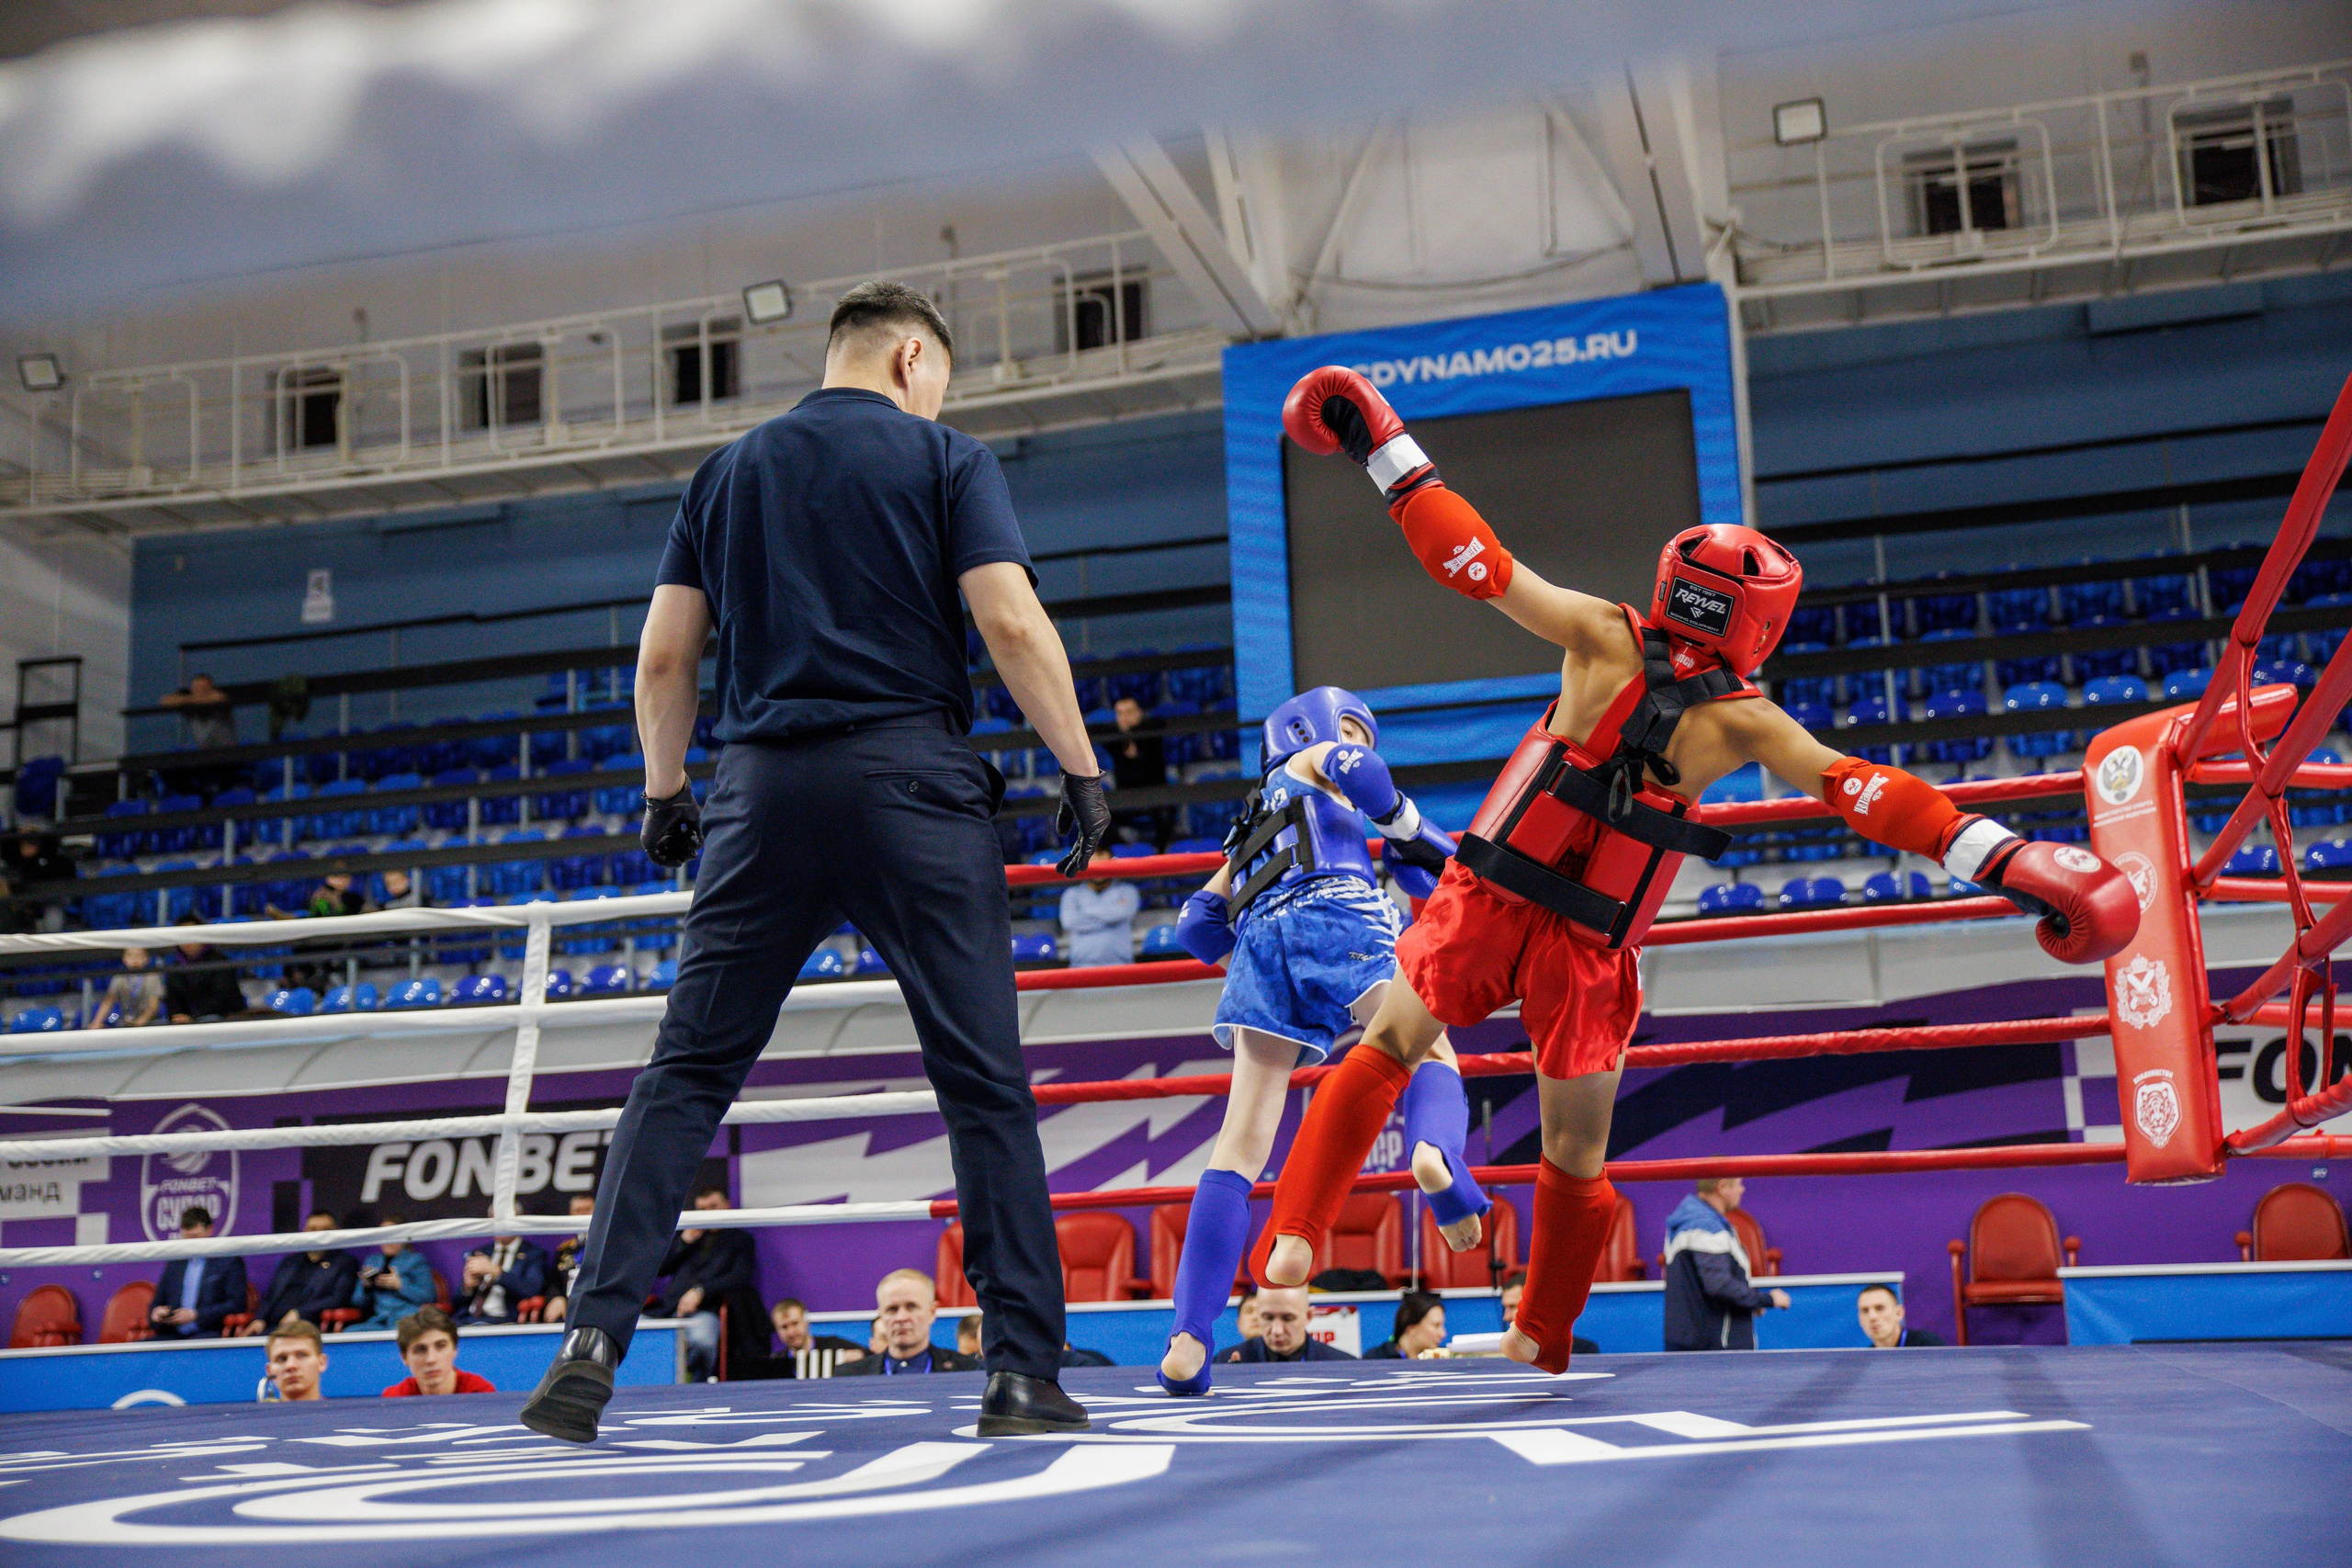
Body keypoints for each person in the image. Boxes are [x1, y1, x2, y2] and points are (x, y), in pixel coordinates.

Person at [1256, 367, 2140, 1376]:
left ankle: (1293, 1235)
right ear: (1760, 619)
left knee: (1388, 1048)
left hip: (1490, 892)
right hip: (1587, 944)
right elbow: (1864, 791)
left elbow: (1473, 562)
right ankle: (1539, 1338)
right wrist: (2010, 856)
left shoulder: (1597, 636)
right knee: (1574, 1157)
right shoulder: (1743, 722)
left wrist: (1385, 451)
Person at [526, 281, 1105, 1444]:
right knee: (982, 1080)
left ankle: (589, 1341)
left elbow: (659, 662)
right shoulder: (947, 460)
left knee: (686, 1073)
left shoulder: (724, 473)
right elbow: (1007, 621)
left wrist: (664, 790)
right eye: (938, 377)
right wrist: (1082, 768)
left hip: (761, 794)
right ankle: (1021, 1374)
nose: (938, 398)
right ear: (907, 359)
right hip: (912, 786)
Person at [1158, 683, 1471, 1397]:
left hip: (1260, 948)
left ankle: (1187, 1338)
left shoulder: (1247, 824)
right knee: (1429, 1049)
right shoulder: (1321, 762)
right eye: (1351, 727)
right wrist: (1401, 826)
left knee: (1239, 1143)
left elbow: (1196, 927)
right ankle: (1435, 1157)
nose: (1359, 740)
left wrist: (1268, 934)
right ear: (1307, 728)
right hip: (1339, 910)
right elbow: (1364, 776)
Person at [1664, 1178, 1790, 1351]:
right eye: (1738, 1184)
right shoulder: (1705, 1227)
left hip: (1697, 1346)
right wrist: (1766, 1300)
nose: (1742, 1190)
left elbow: (1702, 1288)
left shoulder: (1688, 1222)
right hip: (1716, 1354)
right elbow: (1719, 1285)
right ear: (1722, 1187)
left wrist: (1750, 1303)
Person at [656, 1185, 758, 1381]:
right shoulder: (687, 1237)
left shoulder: (740, 1239)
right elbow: (660, 1270)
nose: (708, 1213)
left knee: (703, 1342)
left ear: (726, 1206)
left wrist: (701, 1291)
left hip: (705, 1311)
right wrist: (684, 1242)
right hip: (667, 1310)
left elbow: (740, 1277)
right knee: (634, 1335)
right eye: (703, 1209)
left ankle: (695, 1388)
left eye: (714, 1206)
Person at [836, 1269, 980, 1376]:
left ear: (932, 1312)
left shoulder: (968, 1370)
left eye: (912, 1307)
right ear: (881, 1315)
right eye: (892, 1309)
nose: (901, 1317)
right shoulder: (849, 1376)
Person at [243, 1210, 361, 1336]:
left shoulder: (344, 1263)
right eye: (313, 1230)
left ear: (336, 1232)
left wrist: (301, 1313)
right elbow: (271, 1296)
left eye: (326, 1229)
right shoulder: (290, 1262)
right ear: (304, 1231)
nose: (319, 1235)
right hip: (272, 1327)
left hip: (310, 1326)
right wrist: (260, 1319)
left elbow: (338, 1299)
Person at [151, 1207, 247, 1338]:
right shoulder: (175, 1263)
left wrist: (196, 1315)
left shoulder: (228, 1261)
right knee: (140, 1350)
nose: (190, 1241)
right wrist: (157, 1313)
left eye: (195, 1236)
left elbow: (237, 1304)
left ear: (209, 1230)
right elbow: (157, 1303)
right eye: (186, 1236)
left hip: (209, 1332)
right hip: (172, 1333)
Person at [1215, 1285, 1354, 1365]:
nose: (1277, 1331)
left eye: (1288, 1318)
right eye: (1268, 1318)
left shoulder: (1343, 1366)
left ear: (1308, 1316)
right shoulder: (1225, 1363)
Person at [382, 1307, 497, 1396]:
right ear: (404, 1357)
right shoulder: (395, 1398)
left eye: (441, 1346)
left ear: (454, 1349)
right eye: (420, 1350)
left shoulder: (480, 1393)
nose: (431, 1359)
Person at [1058, 846, 1140, 966]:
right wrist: (1112, 915)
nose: (1099, 870)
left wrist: (1084, 912)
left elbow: (1125, 913)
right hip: (1081, 969)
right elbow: (1069, 922)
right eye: (1094, 865)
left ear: (1111, 864)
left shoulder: (1128, 891)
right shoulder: (1071, 894)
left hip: (1121, 968)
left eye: (1103, 865)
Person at [1107, 694, 1170, 848]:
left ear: (1139, 713)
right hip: (1125, 796)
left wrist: (1131, 731)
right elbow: (1095, 730)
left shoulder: (1151, 734)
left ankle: (1158, 854)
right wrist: (1124, 734)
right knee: (1098, 816)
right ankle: (1127, 852)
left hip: (1154, 793)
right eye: (1120, 713)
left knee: (1166, 813)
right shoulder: (1116, 740)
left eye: (1129, 712)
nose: (1124, 717)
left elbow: (1161, 723)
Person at [164, 915, 250, 1022]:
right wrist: (176, 1016)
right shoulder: (175, 967)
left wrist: (193, 1017)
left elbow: (224, 998)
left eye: (192, 935)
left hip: (220, 1017)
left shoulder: (219, 962)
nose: (187, 941)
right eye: (182, 936)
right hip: (187, 1021)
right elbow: (172, 999)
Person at [350, 1223, 435, 1329]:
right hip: (379, 1321)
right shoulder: (372, 1261)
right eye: (384, 1235)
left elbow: (428, 1297)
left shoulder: (416, 1260)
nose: (388, 1241)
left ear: (404, 1237)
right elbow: (357, 1303)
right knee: (350, 1332)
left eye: (393, 1236)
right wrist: (366, 1287)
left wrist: (400, 1285)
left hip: (408, 1320)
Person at [1497, 1270, 1599, 1359]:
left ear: (1537, 1305)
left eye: (1513, 1307)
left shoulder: (1584, 1351)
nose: (1506, 1317)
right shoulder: (1498, 1352)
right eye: (1505, 1308)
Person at [454, 1232, 548, 1325]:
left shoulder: (534, 1254)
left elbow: (532, 1289)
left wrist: (497, 1273)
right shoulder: (481, 1252)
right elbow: (456, 1302)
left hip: (504, 1320)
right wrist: (467, 1287)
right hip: (468, 1318)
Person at [541, 1193, 596, 1323]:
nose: (583, 1215)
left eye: (588, 1209)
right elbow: (553, 1283)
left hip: (598, 1305)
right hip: (569, 1308)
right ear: (571, 1215)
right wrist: (556, 1298)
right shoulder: (564, 1250)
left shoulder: (612, 1245)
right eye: (578, 1211)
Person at [772, 1297, 866, 1371]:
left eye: (795, 1323)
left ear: (805, 1321)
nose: (791, 1332)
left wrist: (860, 1355)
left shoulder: (834, 1346)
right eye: (784, 1327)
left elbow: (872, 1356)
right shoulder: (776, 1364)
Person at [160, 672, 237, 751]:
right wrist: (193, 699)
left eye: (204, 687)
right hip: (203, 751)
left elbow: (219, 698)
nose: (200, 689)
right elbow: (166, 701)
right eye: (197, 687)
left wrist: (195, 699)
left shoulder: (219, 698)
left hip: (227, 751)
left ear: (211, 687)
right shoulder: (190, 702)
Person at [92, 946, 164, 1028]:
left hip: (152, 1022)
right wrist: (97, 1022)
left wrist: (143, 1020)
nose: (135, 959)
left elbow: (153, 1004)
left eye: (139, 956)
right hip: (127, 1021)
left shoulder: (152, 977)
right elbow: (108, 1001)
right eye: (130, 955)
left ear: (147, 958)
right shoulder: (119, 977)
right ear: (124, 959)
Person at [1363, 1290, 1447, 1359]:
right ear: (1411, 1328)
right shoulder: (1375, 1359)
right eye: (1436, 1325)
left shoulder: (1445, 1360)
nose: (1443, 1334)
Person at [1858, 1283, 1944, 1348]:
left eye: (1880, 1308)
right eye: (1865, 1311)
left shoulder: (1927, 1346)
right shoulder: (1865, 1361)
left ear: (1899, 1313)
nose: (1872, 1317)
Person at [263, 1318, 329, 1403]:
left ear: (322, 1363)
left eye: (301, 1355)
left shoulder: (342, 1414)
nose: (291, 1365)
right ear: (269, 1370)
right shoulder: (260, 1416)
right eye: (282, 1359)